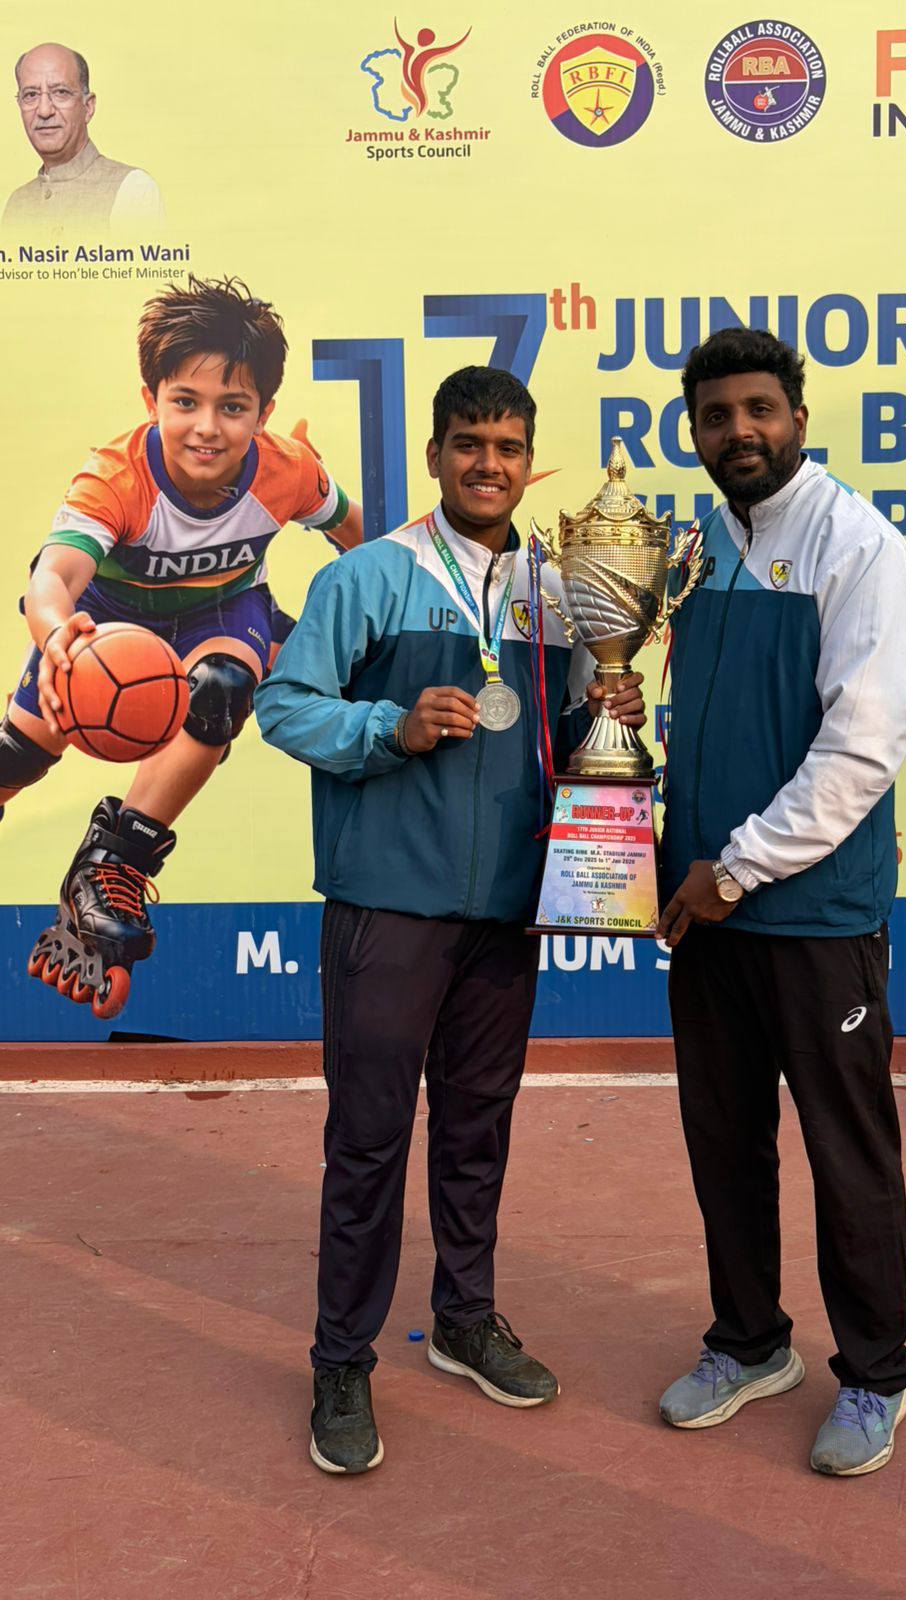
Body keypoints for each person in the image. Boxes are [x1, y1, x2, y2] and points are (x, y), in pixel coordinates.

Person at [254, 365, 646, 1477]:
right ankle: (342, 1359)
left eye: (508, 447)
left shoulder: (561, 587)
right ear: (434, 455)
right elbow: (284, 705)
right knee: (369, 1139)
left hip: (508, 912)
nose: (488, 463)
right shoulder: (371, 575)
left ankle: (465, 1318)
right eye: (469, 443)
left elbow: (565, 729)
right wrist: (391, 724)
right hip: (389, 906)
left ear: (529, 463)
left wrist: (607, 706)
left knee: (479, 1127)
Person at [655, 327, 906, 1477]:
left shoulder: (858, 546)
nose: (740, 432)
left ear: (798, 419)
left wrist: (737, 866)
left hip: (812, 916)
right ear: (696, 431)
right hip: (707, 915)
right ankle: (750, 1340)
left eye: (759, 409)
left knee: (846, 1151)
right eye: (717, 416)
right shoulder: (696, 546)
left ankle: (874, 1374)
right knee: (724, 1142)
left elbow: (861, 750)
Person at [1, 275, 362, 1017]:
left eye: (233, 407)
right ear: (151, 401)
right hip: (105, 628)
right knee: (15, 760)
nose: (207, 427)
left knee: (221, 690)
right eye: (185, 402)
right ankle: (84, 889)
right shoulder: (116, 477)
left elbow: (358, 534)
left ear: (263, 413)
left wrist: (388, 595)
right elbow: (54, 576)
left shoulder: (288, 470)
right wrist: (56, 630)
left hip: (220, 614)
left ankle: (115, 864)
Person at [4, 43, 164, 232]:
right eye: (31, 95)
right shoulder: (16, 204)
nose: (44, 111)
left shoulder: (132, 189)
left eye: (60, 92)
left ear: (88, 107)